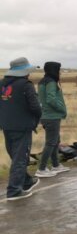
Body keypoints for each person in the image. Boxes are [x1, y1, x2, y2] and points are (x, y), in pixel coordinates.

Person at [0, 57, 42, 200]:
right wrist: (37, 118)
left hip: (6, 126)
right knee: (20, 158)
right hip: (22, 126)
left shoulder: (2, 84)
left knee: (15, 156)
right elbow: (35, 106)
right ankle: (14, 190)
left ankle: (26, 181)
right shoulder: (25, 85)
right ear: (24, 72)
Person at [36, 62, 70, 178]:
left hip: (46, 116)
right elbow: (51, 99)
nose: (59, 72)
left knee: (55, 141)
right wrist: (62, 109)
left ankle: (56, 165)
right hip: (52, 117)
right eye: (58, 70)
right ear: (54, 70)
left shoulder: (42, 81)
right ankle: (41, 168)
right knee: (51, 142)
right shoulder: (51, 82)